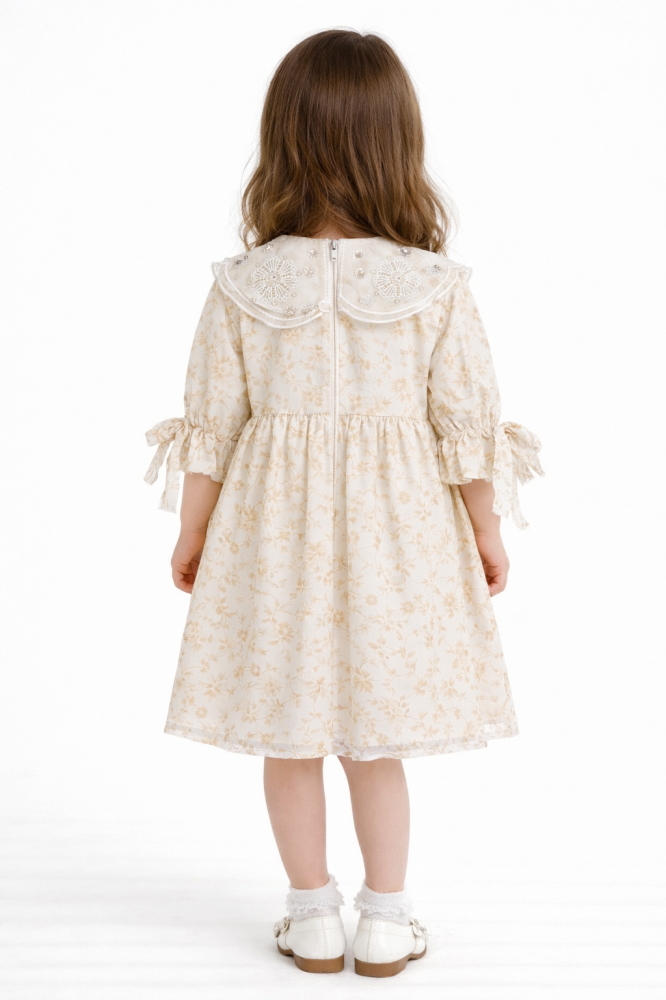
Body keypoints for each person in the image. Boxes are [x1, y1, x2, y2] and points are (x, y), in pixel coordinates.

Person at [144, 28, 543, 978]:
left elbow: (213, 425)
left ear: (283, 139)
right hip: (396, 538)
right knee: (375, 738)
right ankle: (386, 919)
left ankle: (311, 914)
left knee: (289, 735)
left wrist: (194, 531)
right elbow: (465, 426)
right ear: (396, 143)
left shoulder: (243, 284)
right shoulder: (434, 286)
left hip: (271, 538)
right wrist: (486, 530)